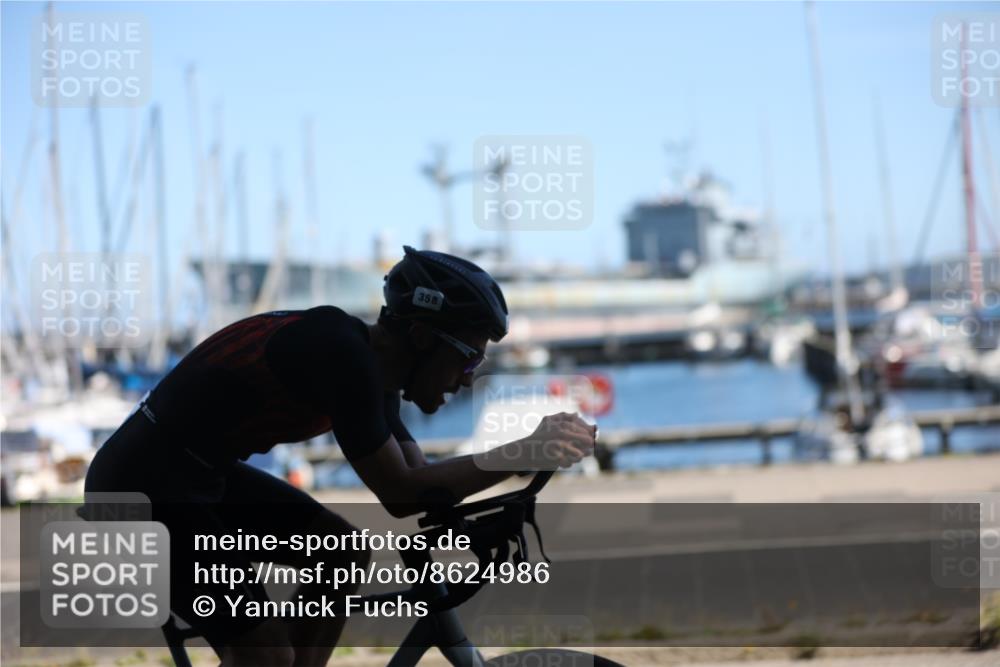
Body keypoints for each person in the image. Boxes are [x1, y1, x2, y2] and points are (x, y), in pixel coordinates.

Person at [85, 246, 597, 667]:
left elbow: (422, 478)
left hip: (194, 478)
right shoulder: (340, 353)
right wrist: (525, 450)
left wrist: (514, 477)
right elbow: (399, 494)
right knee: (267, 659)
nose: (469, 378)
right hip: (140, 489)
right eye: (469, 357)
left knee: (340, 553)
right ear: (420, 338)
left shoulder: (374, 370)